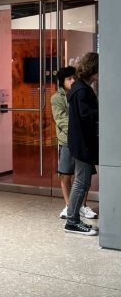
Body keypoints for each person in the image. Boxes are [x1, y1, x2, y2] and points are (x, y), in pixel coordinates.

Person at [51, 66, 97, 220]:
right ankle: (68, 205)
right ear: (62, 82)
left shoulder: (80, 92)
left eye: (74, 78)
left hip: (83, 140)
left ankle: (82, 206)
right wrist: (75, 128)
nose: (72, 81)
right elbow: (61, 119)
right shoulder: (57, 98)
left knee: (84, 174)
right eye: (69, 79)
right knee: (66, 174)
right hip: (66, 140)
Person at [65, 52, 99, 236]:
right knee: (81, 182)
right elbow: (88, 116)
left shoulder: (78, 88)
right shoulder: (83, 91)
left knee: (82, 181)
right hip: (83, 143)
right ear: (93, 70)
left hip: (80, 142)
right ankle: (72, 221)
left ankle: (73, 219)